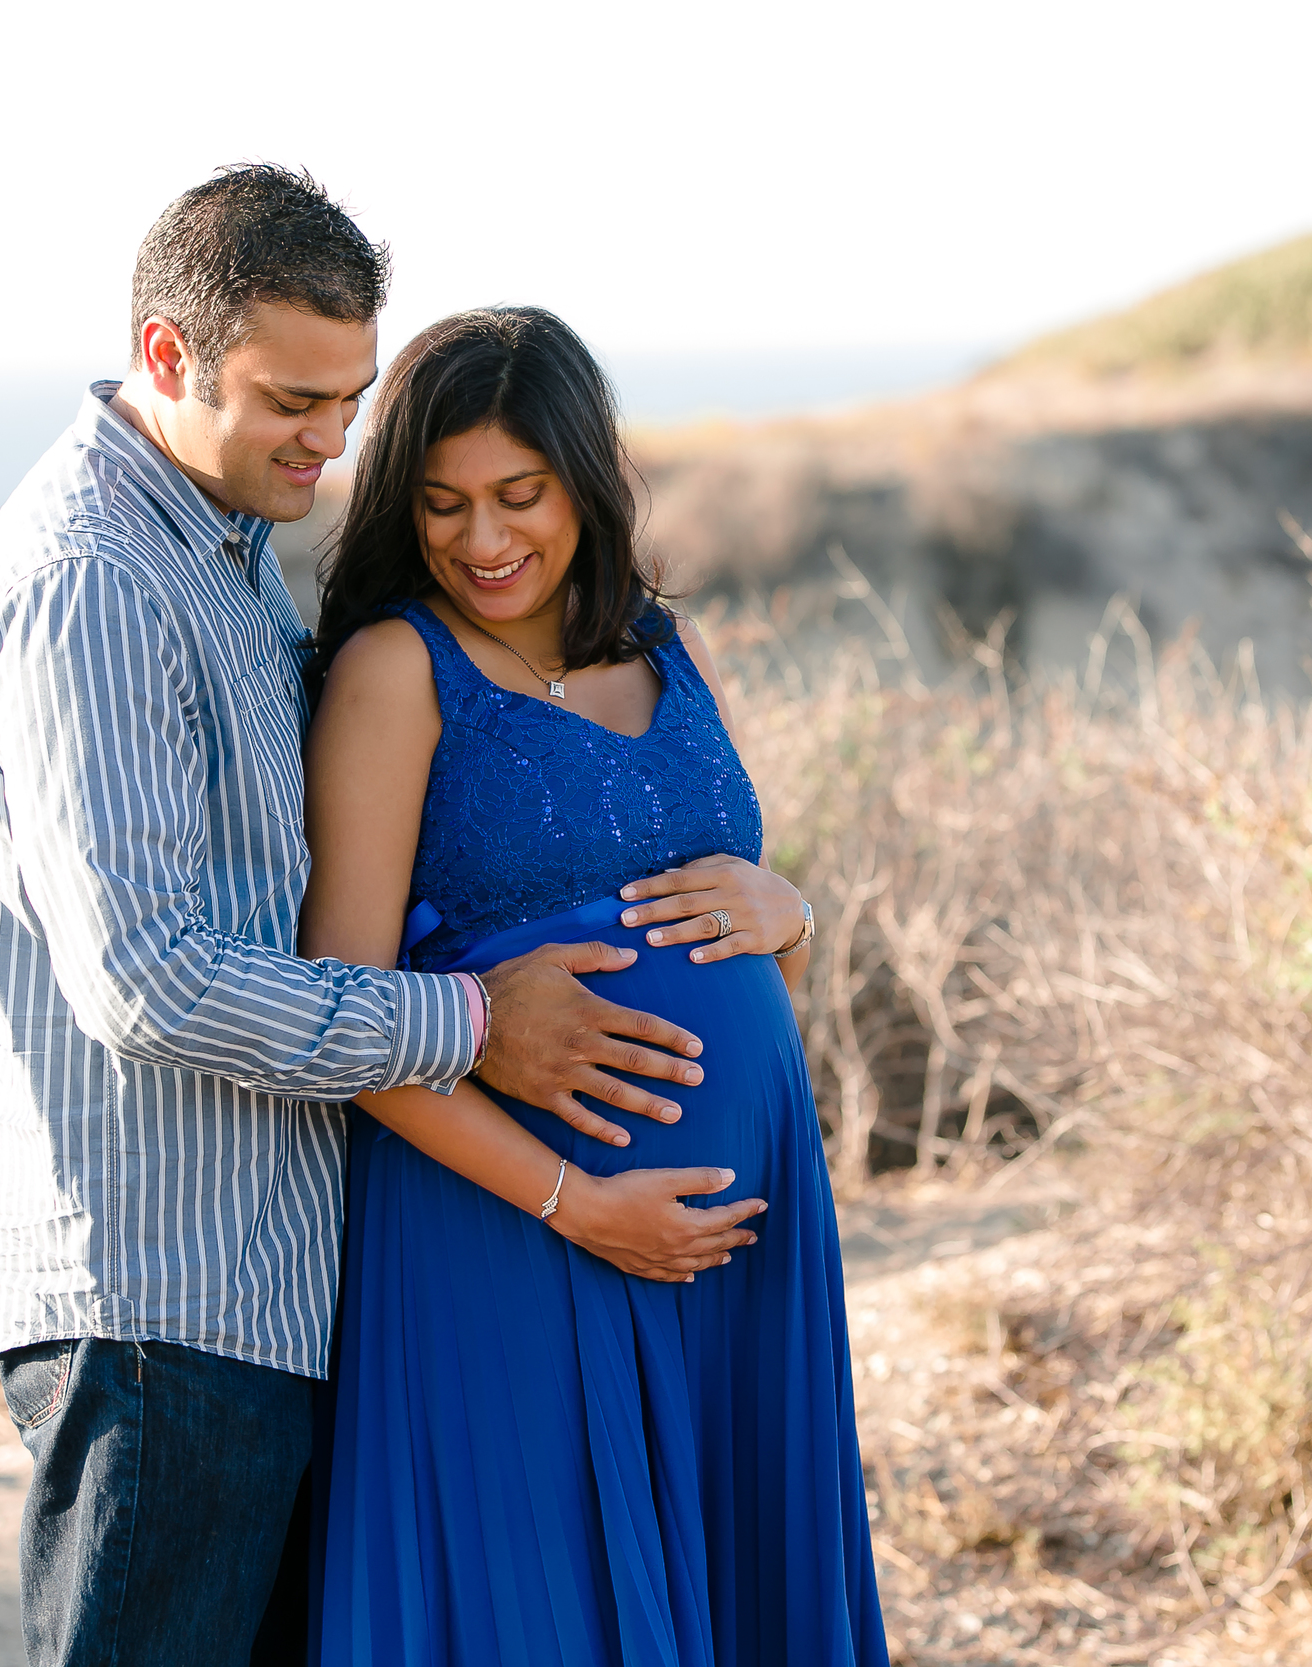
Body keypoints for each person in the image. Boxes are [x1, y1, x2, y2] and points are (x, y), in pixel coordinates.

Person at [0, 167, 767, 1667]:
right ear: (168, 355)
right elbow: (148, 977)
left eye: (348, 400)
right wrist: (471, 1022)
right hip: (156, 1280)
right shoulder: (97, 582)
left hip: (264, 1270)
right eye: (294, 401)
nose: (329, 441)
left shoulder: (219, 548)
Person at [297, 306, 889, 1663]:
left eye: (520, 494)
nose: (481, 539)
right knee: (544, 1609)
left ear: (585, 481)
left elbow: (745, 928)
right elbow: (345, 1006)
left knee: (732, 1592)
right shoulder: (398, 671)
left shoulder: (662, 644)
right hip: (510, 1224)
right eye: (441, 504)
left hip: (739, 1248)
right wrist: (580, 1204)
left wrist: (788, 906)